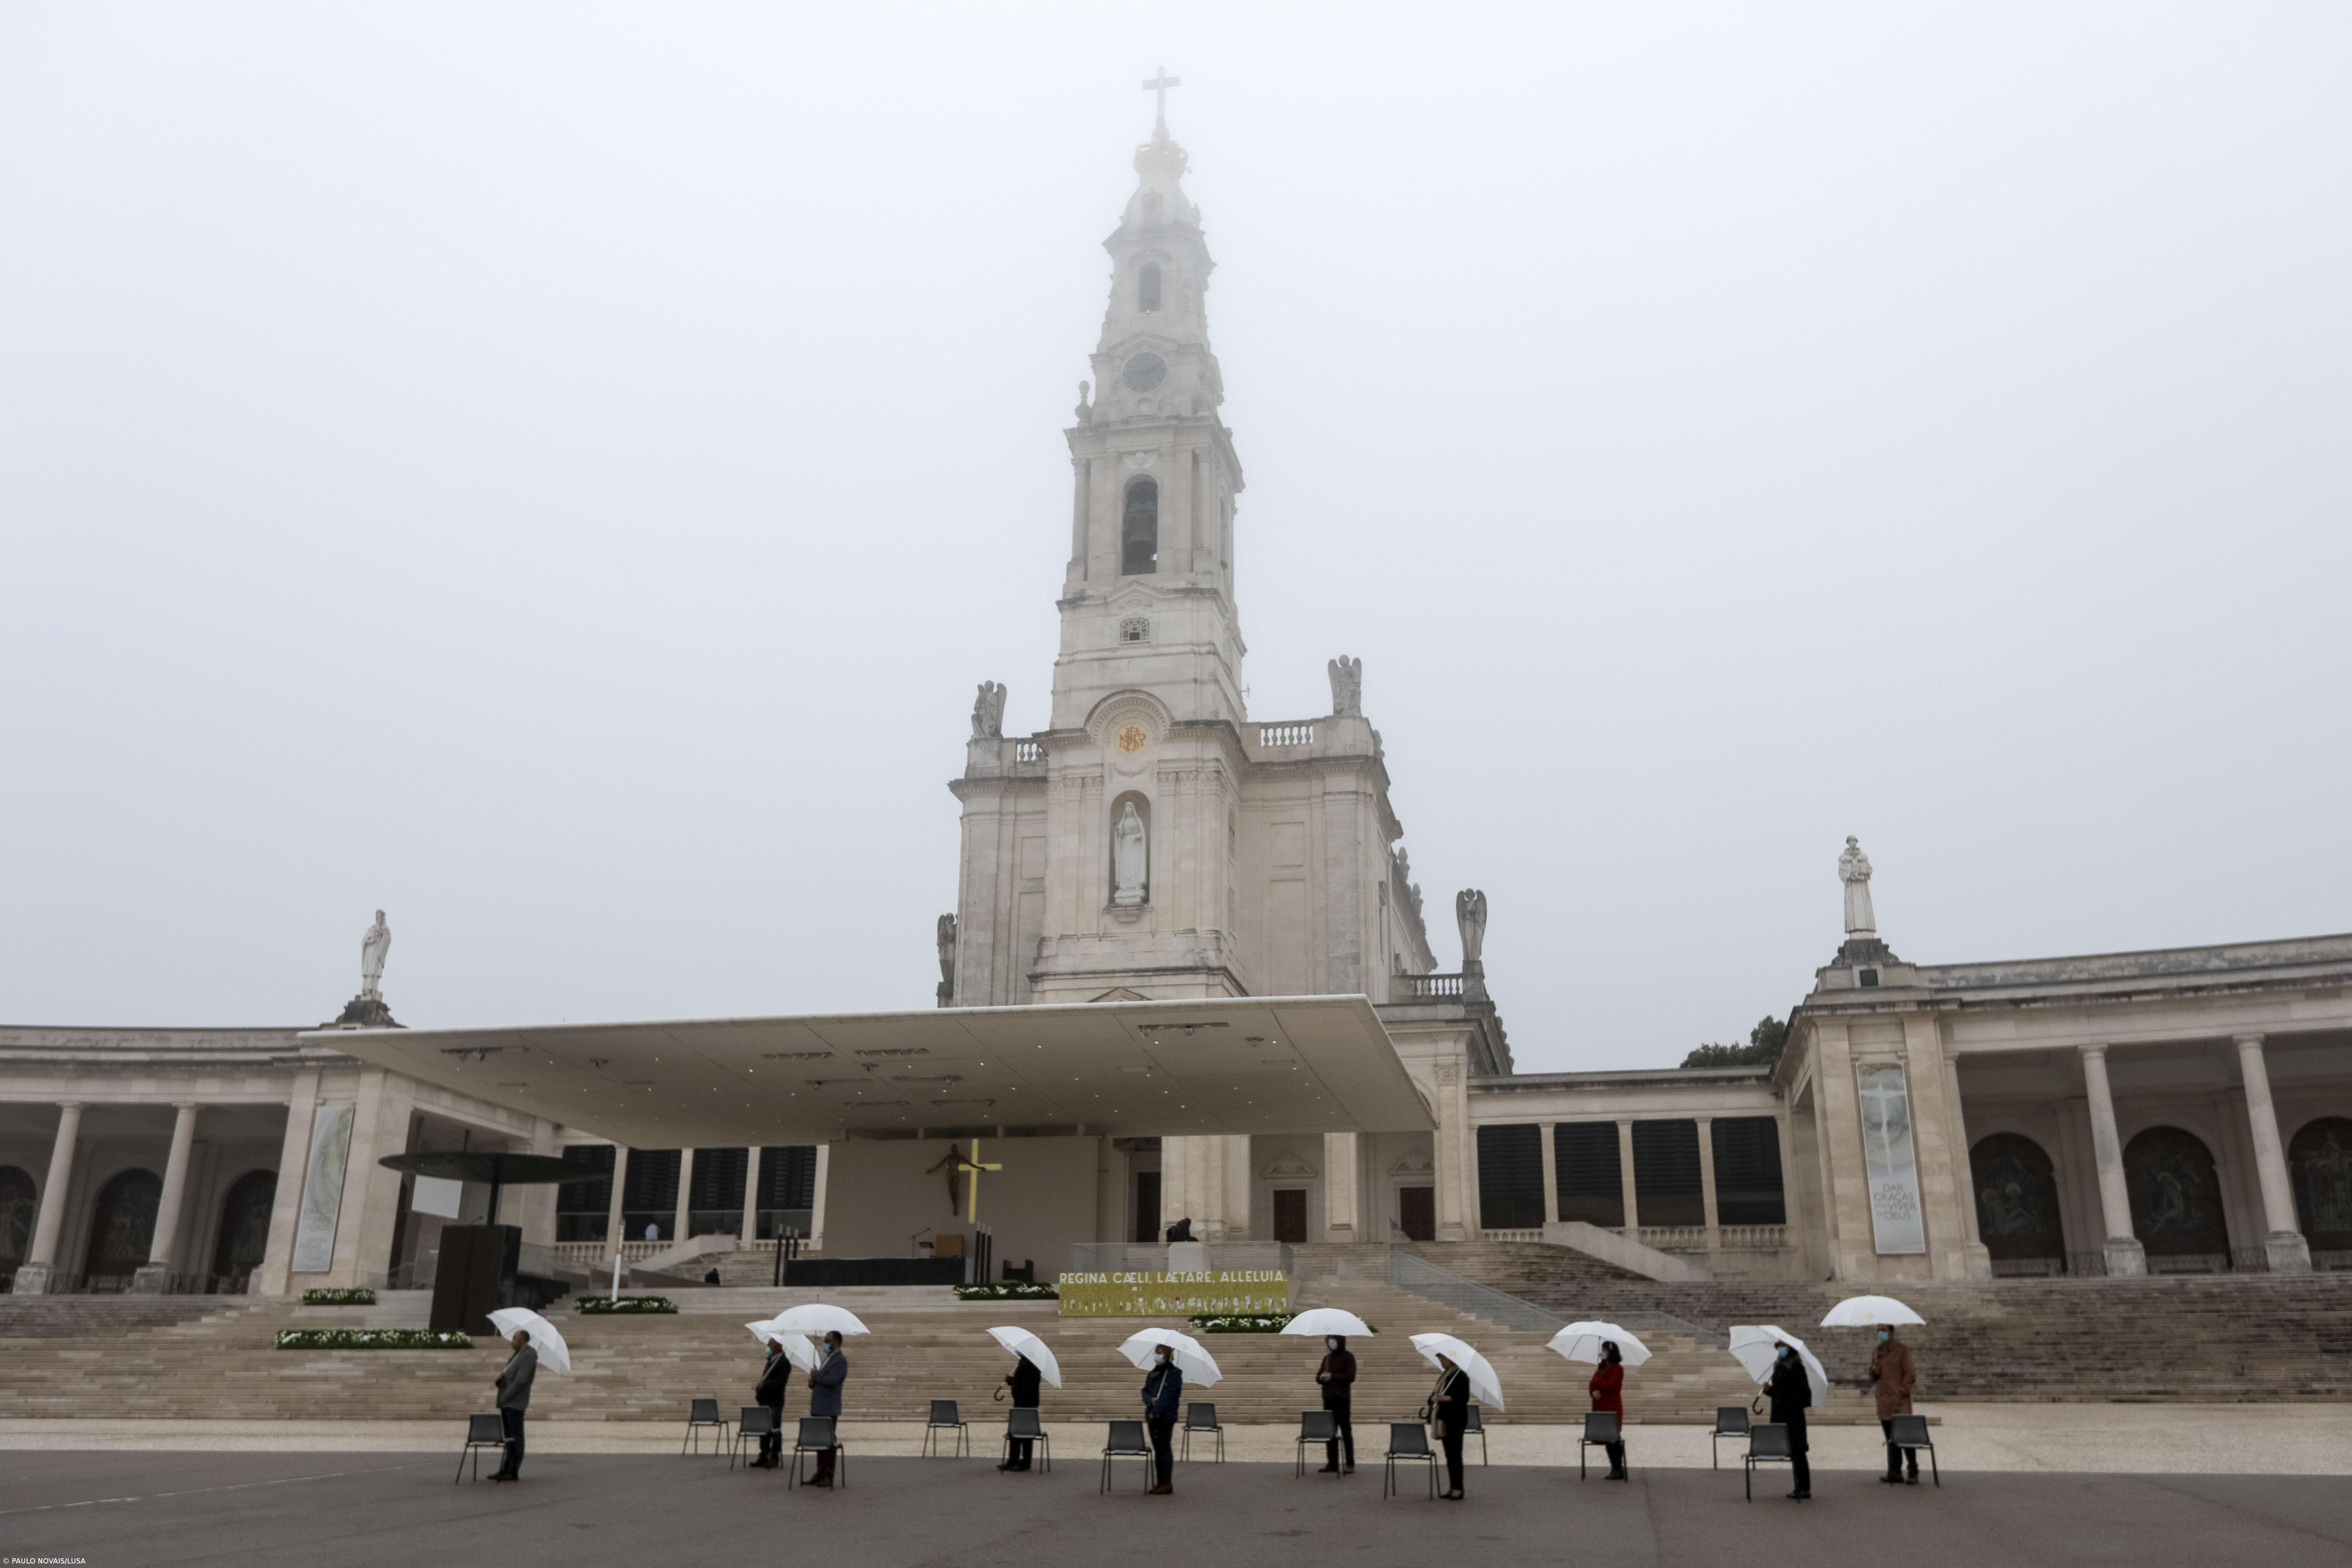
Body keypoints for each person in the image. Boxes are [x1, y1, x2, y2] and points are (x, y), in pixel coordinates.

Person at [1870, 1324, 1920, 1484]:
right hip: (1884, 1401)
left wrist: (1903, 1392)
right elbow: (1874, 1378)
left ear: (1892, 1332)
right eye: (1878, 1330)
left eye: (1883, 1330)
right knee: (1891, 1438)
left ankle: (1913, 1471)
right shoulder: (1878, 1352)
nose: (1880, 1333)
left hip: (1899, 1401)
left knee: (1905, 1438)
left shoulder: (1902, 1350)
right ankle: (1895, 1471)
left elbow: (1910, 1374)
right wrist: (1874, 1369)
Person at [1766, 1339, 1812, 1501]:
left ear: (1790, 1349)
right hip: (1780, 1415)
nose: (1780, 1350)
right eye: (1779, 1347)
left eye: (1783, 1347)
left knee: (1798, 1451)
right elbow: (1779, 1393)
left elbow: (1805, 1394)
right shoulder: (1778, 1367)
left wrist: (1789, 1402)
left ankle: (1804, 1487)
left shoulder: (1797, 1367)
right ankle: (1798, 1486)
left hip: (1794, 1416)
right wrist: (1769, 1391)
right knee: (1792, 1452)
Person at [490, 1327, 536, 1483]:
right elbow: (512, 1377)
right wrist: (502, 1380)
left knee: (516, 1436)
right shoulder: (517, 1356)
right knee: (509, 1436)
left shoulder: (529, 1355)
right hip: (507, 1402)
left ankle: (514, 1468)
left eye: (514, 1339)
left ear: (522, 1341)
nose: (512, 1342)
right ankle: (506, 1467)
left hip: (515, 1403)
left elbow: (521, 1381)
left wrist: (508, 1394)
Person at [806, 1330, 847, 1487]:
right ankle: (820, 1473)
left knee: (829, 1443)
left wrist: (817, 1375)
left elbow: (832, 1380)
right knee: (820, 1442)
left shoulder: (841, 1361)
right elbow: (823, 1380)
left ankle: (828, 1475)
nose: (825, 1343)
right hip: (819, 1406)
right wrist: (813, 1382)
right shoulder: (828, 1359)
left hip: (829, 1408)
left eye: (828, 1340)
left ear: (836, 1342)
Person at [1141, 1341, 1182, 1494]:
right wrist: (1150, 1401)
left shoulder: (1174, 1373)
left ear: (1168, 1355)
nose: (1157, 1355)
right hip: (1152, 1416)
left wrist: (1156, 1411)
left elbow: (1170, 1396)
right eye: (1156, 1352)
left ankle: (1167, 1481)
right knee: (1157, 1448)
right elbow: (1145, 1391)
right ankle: (1160, 1481)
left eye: (1161, 1353)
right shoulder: (1153, 1373)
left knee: (1164, 1447)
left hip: (1165, 1417)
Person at [1429, 1353, 1471, 1500]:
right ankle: (1453, 1486)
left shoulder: (1461, 1376)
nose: (1441, 1361)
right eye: (1440, 1359)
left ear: (1451, 1359)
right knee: (1449, 1456)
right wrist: (1433, 1398)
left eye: (1443, 1359)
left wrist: (1448, 1398)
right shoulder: (1445, 1376)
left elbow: (1464, 1398)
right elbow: (1432, 1396)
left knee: (1455, 1455)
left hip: (1456, 1421)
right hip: (1444, 1420)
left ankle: (1459, 1488)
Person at [1316, 1334, 1357, 1474]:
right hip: (1328, 1399)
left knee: (1346, 1432)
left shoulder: (1348, 1357)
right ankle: (1332, 1463)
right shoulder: (1327, 1358)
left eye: (1333, 1340)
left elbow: (1350, 1377)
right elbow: (1318, 1377)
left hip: (1342, 1399)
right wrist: (1322, 1377)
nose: (1331, 1343)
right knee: (1330, 1433)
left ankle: (1350, 1463)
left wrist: (1333, 1376)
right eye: (1329, 1340)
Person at [1589, 1340, 1627, 1480]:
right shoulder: (1600, 1367)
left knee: (1614, 1439)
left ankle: (1619, 1468)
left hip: (1612, 1407)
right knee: (1607, 1439)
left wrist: (1597, 1384)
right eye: (1602, 1349)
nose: (1602, 1352)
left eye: (1605, 1350)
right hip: (1600, 1407)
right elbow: (1591, 1385)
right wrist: (1593, 1392)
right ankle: (1614, 1468)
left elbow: (1613, 1386)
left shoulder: (1618, 1369)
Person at [752, 1335, 792, 1469]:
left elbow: (780, 1383)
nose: (768, 1347)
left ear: (779, 1347)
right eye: (769, 1344)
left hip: (775, 1402)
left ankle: (774, 1457)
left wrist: (764, 1385)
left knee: (775, 1430)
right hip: (765, 1401)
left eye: (771, 1345)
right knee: (764, 1430)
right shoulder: (771, 1361)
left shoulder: (784, 1363)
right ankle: (764, 1455)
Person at [1000, 1351, 1043, 1471]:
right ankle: (1013, 1460)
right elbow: (1021, 1382)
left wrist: (1022, 1405)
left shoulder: (1032, 1363)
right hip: (1020, 1403)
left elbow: (1029, 1386)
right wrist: (1011, 1381)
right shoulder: (1024, 1361)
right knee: (1015, 1432)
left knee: (1025, 1433)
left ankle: (1025, 1462)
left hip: (1026, 1404)